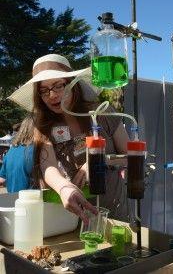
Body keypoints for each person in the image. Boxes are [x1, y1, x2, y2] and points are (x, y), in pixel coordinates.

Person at [8, 54, 130, 222]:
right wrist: (64, 188)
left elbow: (131, 156)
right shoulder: (42, 125)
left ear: (73, 84)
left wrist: (101, 161)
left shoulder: (103, 113)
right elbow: (48, 166)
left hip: (115, 215)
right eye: (44, 91)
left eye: (58, 86)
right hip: (70, 220)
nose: (52, 95)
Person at [0, 115, 35, 192]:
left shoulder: (11, 151)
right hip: (31, 200)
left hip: (13, 201)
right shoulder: (36, 151)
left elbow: (2, 179)